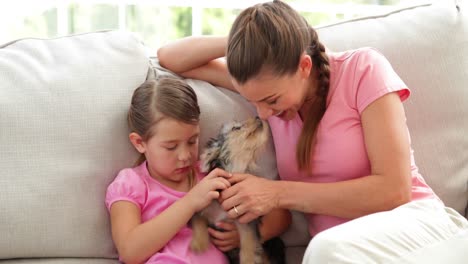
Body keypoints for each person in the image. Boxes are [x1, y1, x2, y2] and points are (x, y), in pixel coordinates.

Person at [157, 0, 468, 263]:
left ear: (304, 66)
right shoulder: (271, 90)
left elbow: (394, 191)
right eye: (254, 102)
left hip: (420, 232)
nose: (264, 113)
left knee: (325, 249)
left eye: (271, 100)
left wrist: (276, 193)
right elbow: (170, 57)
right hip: (347, 254)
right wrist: (247, 40)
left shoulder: (363, 70)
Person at [105, 78, 290, 263]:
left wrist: (243, 236)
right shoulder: (130, 183)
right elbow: (130, 251)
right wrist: (191, 202)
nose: (185, 155)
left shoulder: (211, 176)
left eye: (192, 141)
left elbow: (281, 217)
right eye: (171, 147)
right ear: (139, 143)